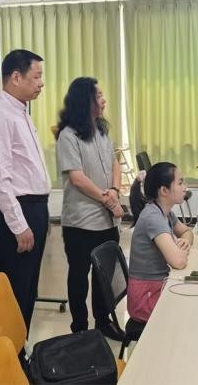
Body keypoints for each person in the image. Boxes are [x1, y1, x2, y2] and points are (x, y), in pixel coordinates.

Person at [0, 49, 51, 331]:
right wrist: (19, 225)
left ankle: (20, 349)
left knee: (28, 290)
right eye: (37, 76)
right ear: (16, 77)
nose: (41, 83)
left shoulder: (20, 112)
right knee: (15, 293)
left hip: (33, 208)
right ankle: (9, 350)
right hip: (18, 212)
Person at [54, 76, 124, 337]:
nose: (104, 100)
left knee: (104, 274)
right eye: (99, 95)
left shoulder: (102, 130)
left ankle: (103, 322)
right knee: (79, 275)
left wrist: (114, 190)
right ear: (85, 100)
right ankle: (80, 329)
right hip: (81, 221)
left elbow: (115, 163)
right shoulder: (68, 136)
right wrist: (109, 200)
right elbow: (77, 178)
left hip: (107, 219)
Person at [126, 162, 194, 324]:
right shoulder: (153, 217)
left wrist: (184, 242)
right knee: (191, 310)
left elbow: (187, 232)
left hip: (157, 285)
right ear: (164, 190)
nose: (185, 187)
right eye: (180, 183)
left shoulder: (165, 212)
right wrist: (179, 251)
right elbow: (178, 262)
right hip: (145, 297)